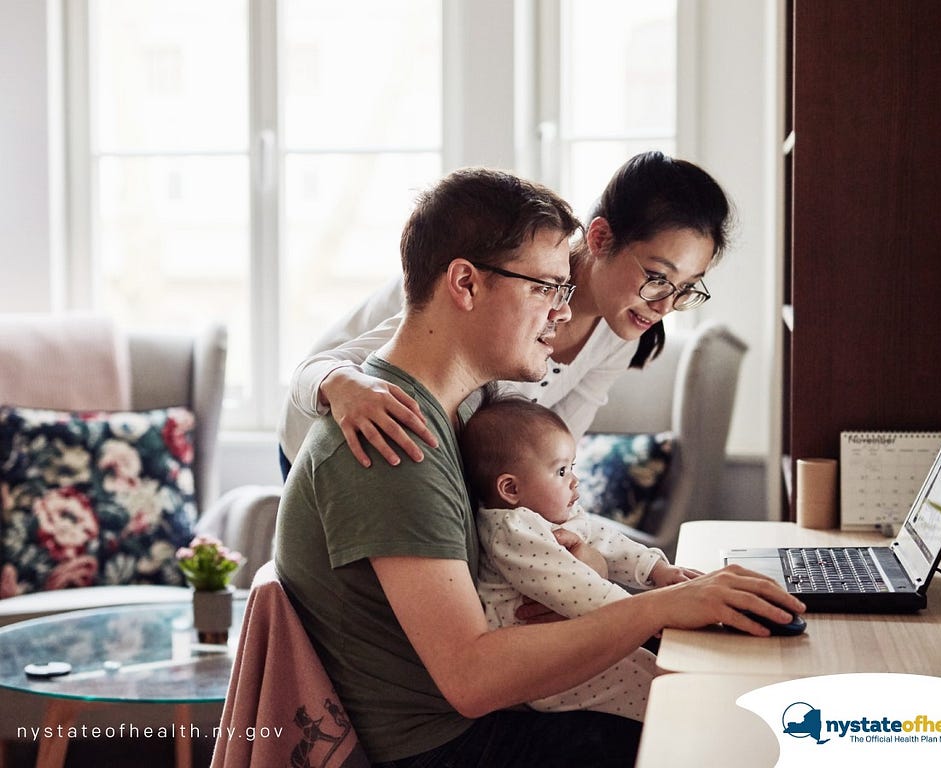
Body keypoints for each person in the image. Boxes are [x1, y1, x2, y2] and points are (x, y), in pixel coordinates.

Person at [274, 166, 804, 768]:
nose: (561, 314)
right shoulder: (395, 431)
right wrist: (655, 609)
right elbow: (472, 678)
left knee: (712, 717)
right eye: (547, 289)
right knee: (718, 742)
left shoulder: (470, 406)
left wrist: (622, 575)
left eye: (563, 291)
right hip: (445, 741)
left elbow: (552, 483)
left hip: (464, 711)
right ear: (468, 285)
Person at [277, 150, 733, 476]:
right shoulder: (499, 285)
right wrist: (343, 385)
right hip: (320, 429)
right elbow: (313, 370)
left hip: (418, 449)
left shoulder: (619, 331)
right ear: (599, 238)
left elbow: (553, 448)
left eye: (686, 289)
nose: (665, 305)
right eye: (657, 276)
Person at [460, 394, 704, 722]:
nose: (575, 479)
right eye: (561, 471)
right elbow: (574, 588)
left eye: (572, 467)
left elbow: (606, 541)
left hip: (578, 636)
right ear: (511, 489)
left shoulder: (553, 515)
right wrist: (651, 615)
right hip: (544, 668)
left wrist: (657, 570)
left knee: (667, 674)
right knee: (658, 693)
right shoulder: (512, 529)